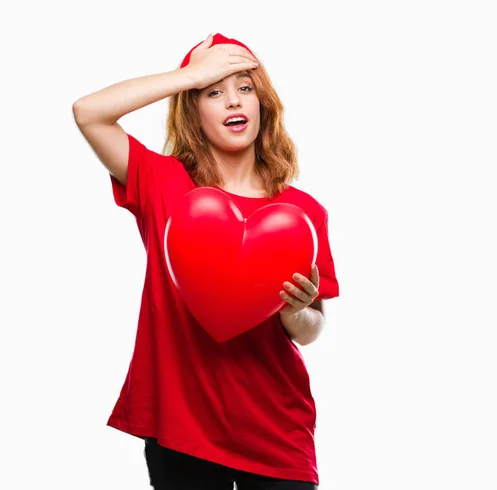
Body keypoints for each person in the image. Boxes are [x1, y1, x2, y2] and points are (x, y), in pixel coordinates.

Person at [72, 33, 339, 489]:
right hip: (181, 429)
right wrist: (189, 75)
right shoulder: (161, 182)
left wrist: (297, 312)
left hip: (276, 430)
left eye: (245, 87)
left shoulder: (301, 212)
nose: (232, 100)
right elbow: (89, 113)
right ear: (193, 109)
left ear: (262, 104)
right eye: (214, 92)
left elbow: (311, 330)